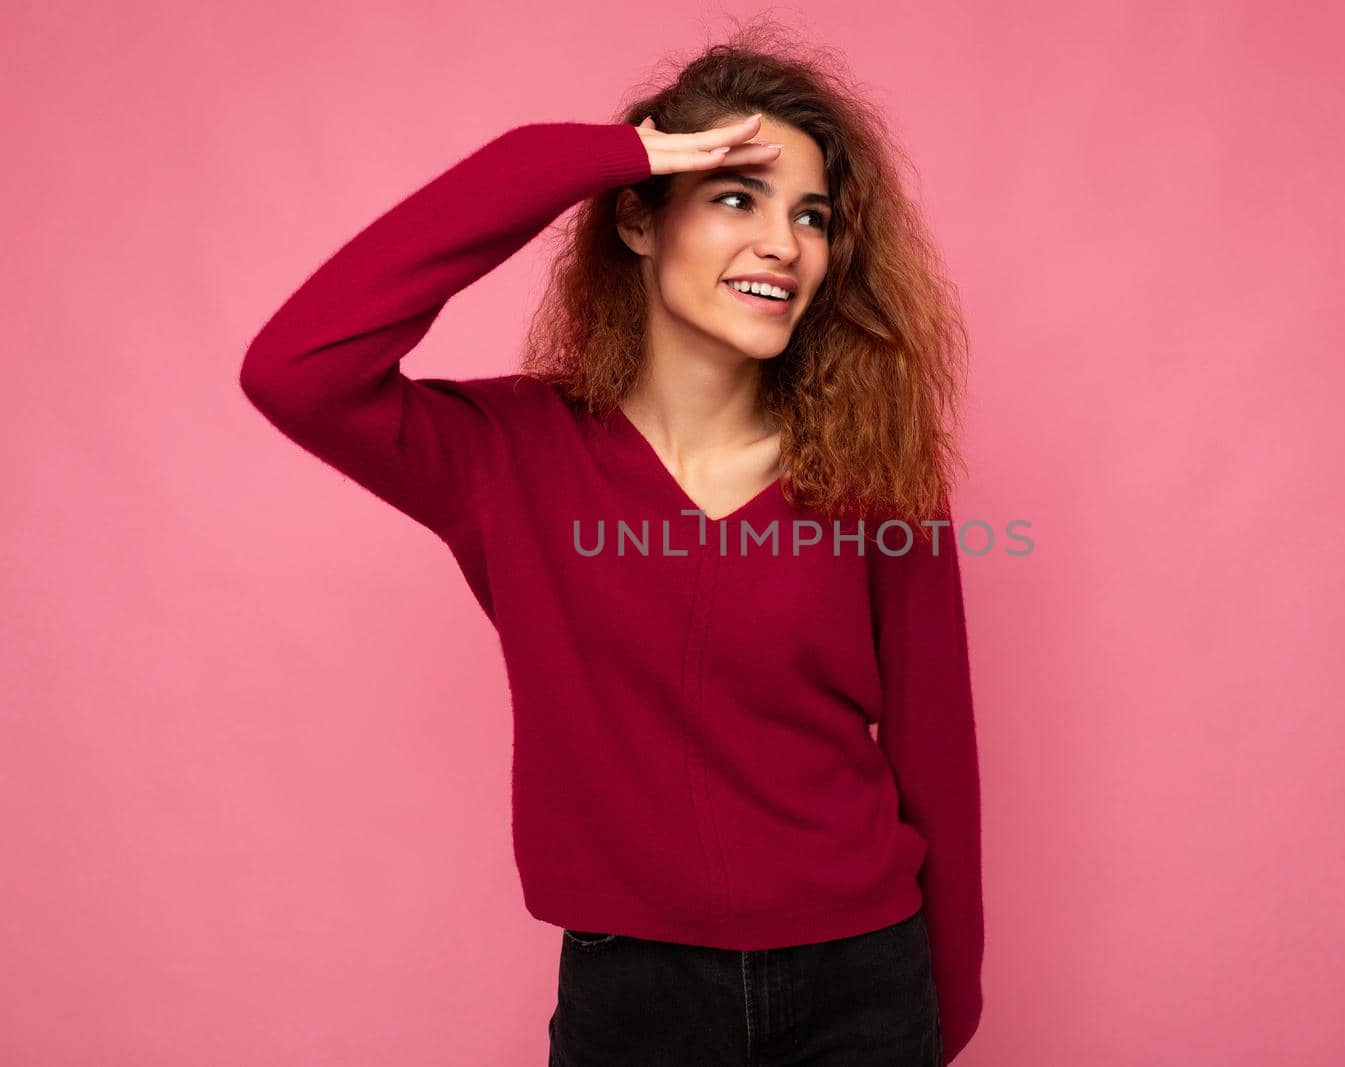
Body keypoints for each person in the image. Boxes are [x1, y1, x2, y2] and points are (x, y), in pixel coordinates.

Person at [239, 26, 983, 1066]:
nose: (783, 242)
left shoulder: (873, 467)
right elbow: (295, 366)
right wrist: (594, 156)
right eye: (735, 195)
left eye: (810, 216)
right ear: (639, 221)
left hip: (865, 977)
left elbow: (935, 743)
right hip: (637, 996)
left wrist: (948, 1001)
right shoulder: (506, 457)